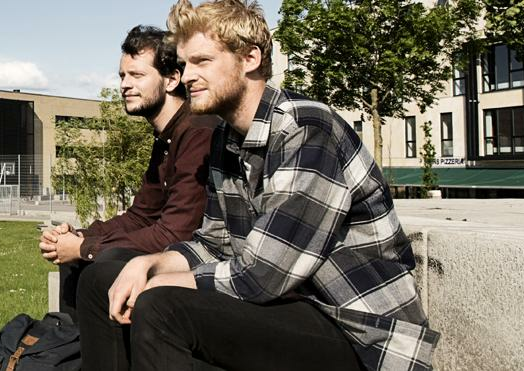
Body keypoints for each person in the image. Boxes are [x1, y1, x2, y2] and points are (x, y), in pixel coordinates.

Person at [87, 1, 438, 370]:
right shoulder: (226, 139)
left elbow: (264, 274)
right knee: (102, 279)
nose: (187, 75)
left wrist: (158, 281)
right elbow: (213, 243)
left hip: (356, 329)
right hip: (284, 308)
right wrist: (149, 264)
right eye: (185, 63)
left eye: (202, 61)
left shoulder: (306, 129)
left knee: (162, 307)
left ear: (250, 58)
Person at [40, 24, 219, 322]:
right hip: (173, 250)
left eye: (137, 75)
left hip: (198, 262)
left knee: (98, 265)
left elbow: (175, 232)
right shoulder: (165, 138)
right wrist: (80, 236)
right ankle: (70, 351)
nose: (124, 84)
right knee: (75, 261)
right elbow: (141, 215)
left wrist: (85, 248)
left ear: (172, 79)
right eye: (122, 76)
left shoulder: (197, 131)